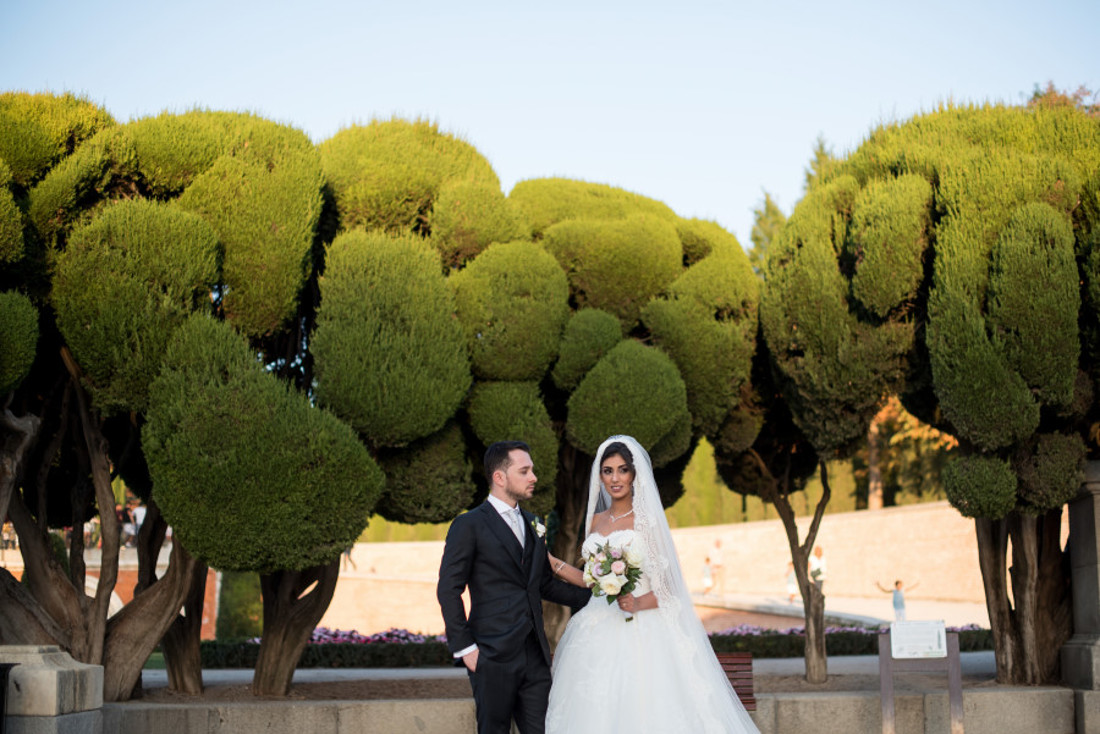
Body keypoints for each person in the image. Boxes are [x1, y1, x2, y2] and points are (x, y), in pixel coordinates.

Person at [545, 435, 759, 733]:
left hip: (642, 627)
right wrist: (553, 562)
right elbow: (592, 581)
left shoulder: (647, 522)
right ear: (600, 476)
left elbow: (671, 589)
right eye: (608, 470)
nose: (615, 478)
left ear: (634, 475)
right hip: (596, 624)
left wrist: (637, 603)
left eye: (622, 470)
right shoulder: (595, 521)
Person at [437, 440, 590, 734]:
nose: (533, 477)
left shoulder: (535, 523)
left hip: (534, 655)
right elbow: (448, 589)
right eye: (525, 471)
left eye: (531, 470)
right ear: (500, 477)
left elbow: (542, 584)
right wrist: (466, 648)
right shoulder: (468, 525)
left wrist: (595, 598)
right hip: (491, 654)